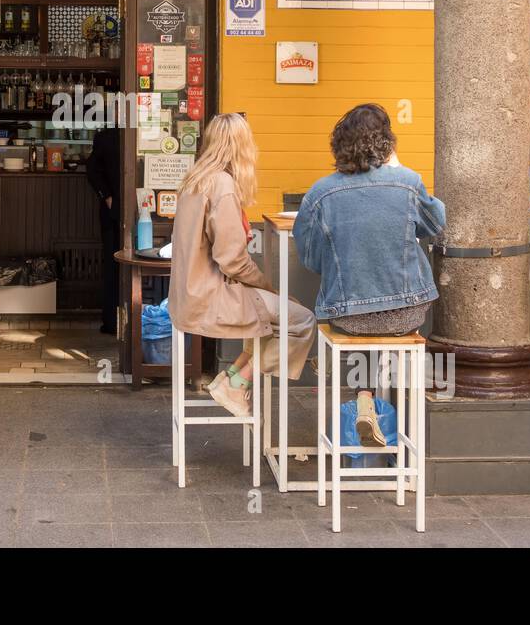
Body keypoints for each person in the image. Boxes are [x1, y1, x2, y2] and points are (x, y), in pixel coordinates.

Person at [295, 104, 445, 447]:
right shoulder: (408, 183)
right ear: (388, 143)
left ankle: (365, 397)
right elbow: (436, 224)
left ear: (339, 144)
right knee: (388, 326)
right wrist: (400, 167)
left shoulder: (320, 192)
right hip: (408, 313)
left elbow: (309, 257)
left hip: (346, 315)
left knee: (364, 321)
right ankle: (386, 409)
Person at [168, 113, 317, 418]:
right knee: (301, 319)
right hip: (212, 299)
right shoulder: (222, 185)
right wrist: (266, 285)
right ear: (241, 146)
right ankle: (237, 383)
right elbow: (232, 260)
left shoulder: (194, 178)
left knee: (276, 316)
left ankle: (233, 377)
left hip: (187, 299)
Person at [85, 125, 121, 334]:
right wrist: (107, 197)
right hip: (113, 214)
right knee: (112, 265)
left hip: (150, 212)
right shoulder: (107, 137)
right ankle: (112, 322)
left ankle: (140, 323)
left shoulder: (149, 132)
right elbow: (93, 170)